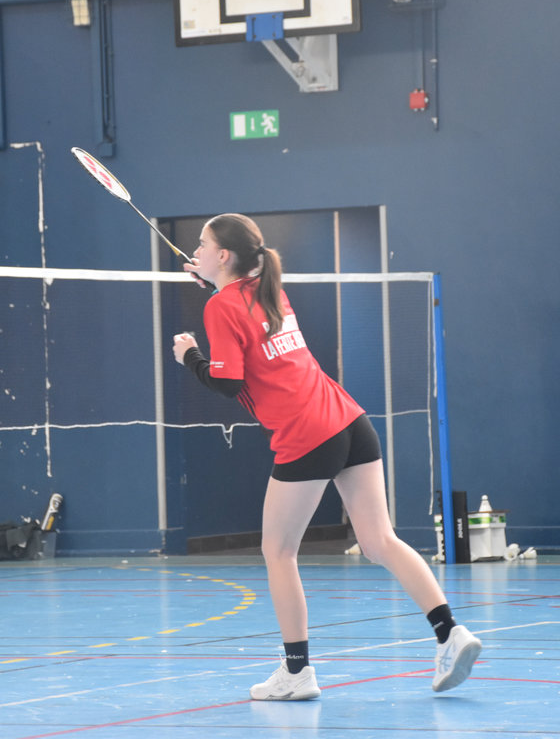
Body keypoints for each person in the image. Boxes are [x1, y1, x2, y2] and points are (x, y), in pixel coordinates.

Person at [172, 213, 482, 699]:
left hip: (306, 432)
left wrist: (190, 355)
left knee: (278, 551)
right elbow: (241, 311)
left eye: (203, 244)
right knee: (380, 540)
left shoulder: (220, 307)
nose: (197, 250)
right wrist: (214, 283)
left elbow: (228, 382)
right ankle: (450, 633)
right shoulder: (269, 290)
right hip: (349, 420)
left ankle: (297, 672)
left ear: (224, 255)